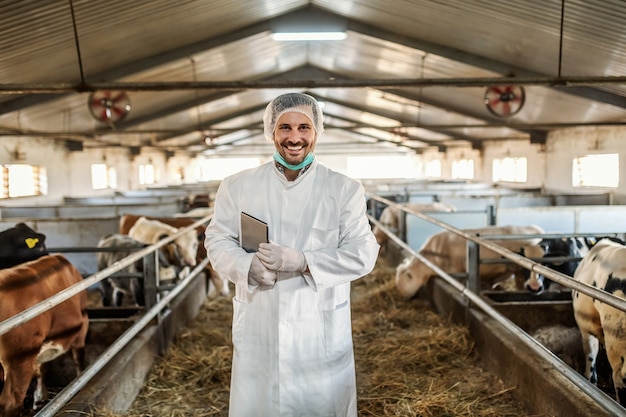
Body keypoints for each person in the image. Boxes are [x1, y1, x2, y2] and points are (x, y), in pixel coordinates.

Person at [204, 92, 380, 417]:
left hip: (320, 334)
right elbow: (217, 240)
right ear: (271, 131)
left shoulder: (344, 189)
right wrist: (246, 266)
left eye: (304, 127)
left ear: (317, 132)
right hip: (260, 327)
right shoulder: (237, 186)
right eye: (285, 127)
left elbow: (363, 254)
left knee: (321, 407)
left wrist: (304, 262)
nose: (294, 138)